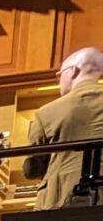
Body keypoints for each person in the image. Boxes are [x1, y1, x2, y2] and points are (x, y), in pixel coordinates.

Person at [25, 46, 103, 210]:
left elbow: (32, 169)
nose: (59, 81)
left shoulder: (46, 112)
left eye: (59, 75)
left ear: (73, 71)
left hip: (60, 203)